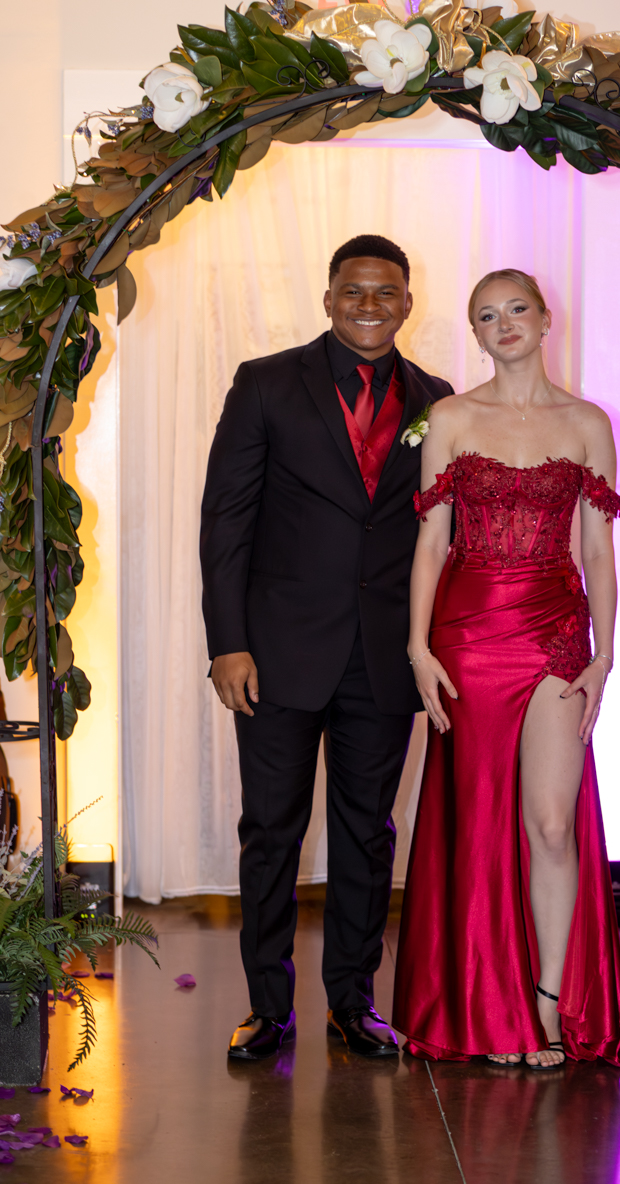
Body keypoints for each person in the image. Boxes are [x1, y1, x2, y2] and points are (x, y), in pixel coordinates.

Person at [200, 234, 452, 1061]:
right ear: (329, 298)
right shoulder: (267, 383)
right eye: (354, 291)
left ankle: (353, 1001)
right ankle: (268, 1009)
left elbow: (442, 537)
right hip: (274, 655)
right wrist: (227, 644)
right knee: (270, 830)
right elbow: (226, 524)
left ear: (407, 302)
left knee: (367, 833)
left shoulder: (438, 401)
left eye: (385, 292)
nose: (369, 305)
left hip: (384, 659)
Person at [392, 269, 620, 1069]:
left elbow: (598, 550)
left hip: (555, 633)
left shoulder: (587, 423)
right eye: (485, 316)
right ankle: (486, 1009)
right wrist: (417, 646)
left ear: (543, 320)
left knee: (551, 823)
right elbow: (431, 542)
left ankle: (547, 1001)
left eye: (516, 310)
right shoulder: (452, 417)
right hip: (466, 635)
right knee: (478, 826)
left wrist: (607, 654)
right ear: (475, 333)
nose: (503, 325)